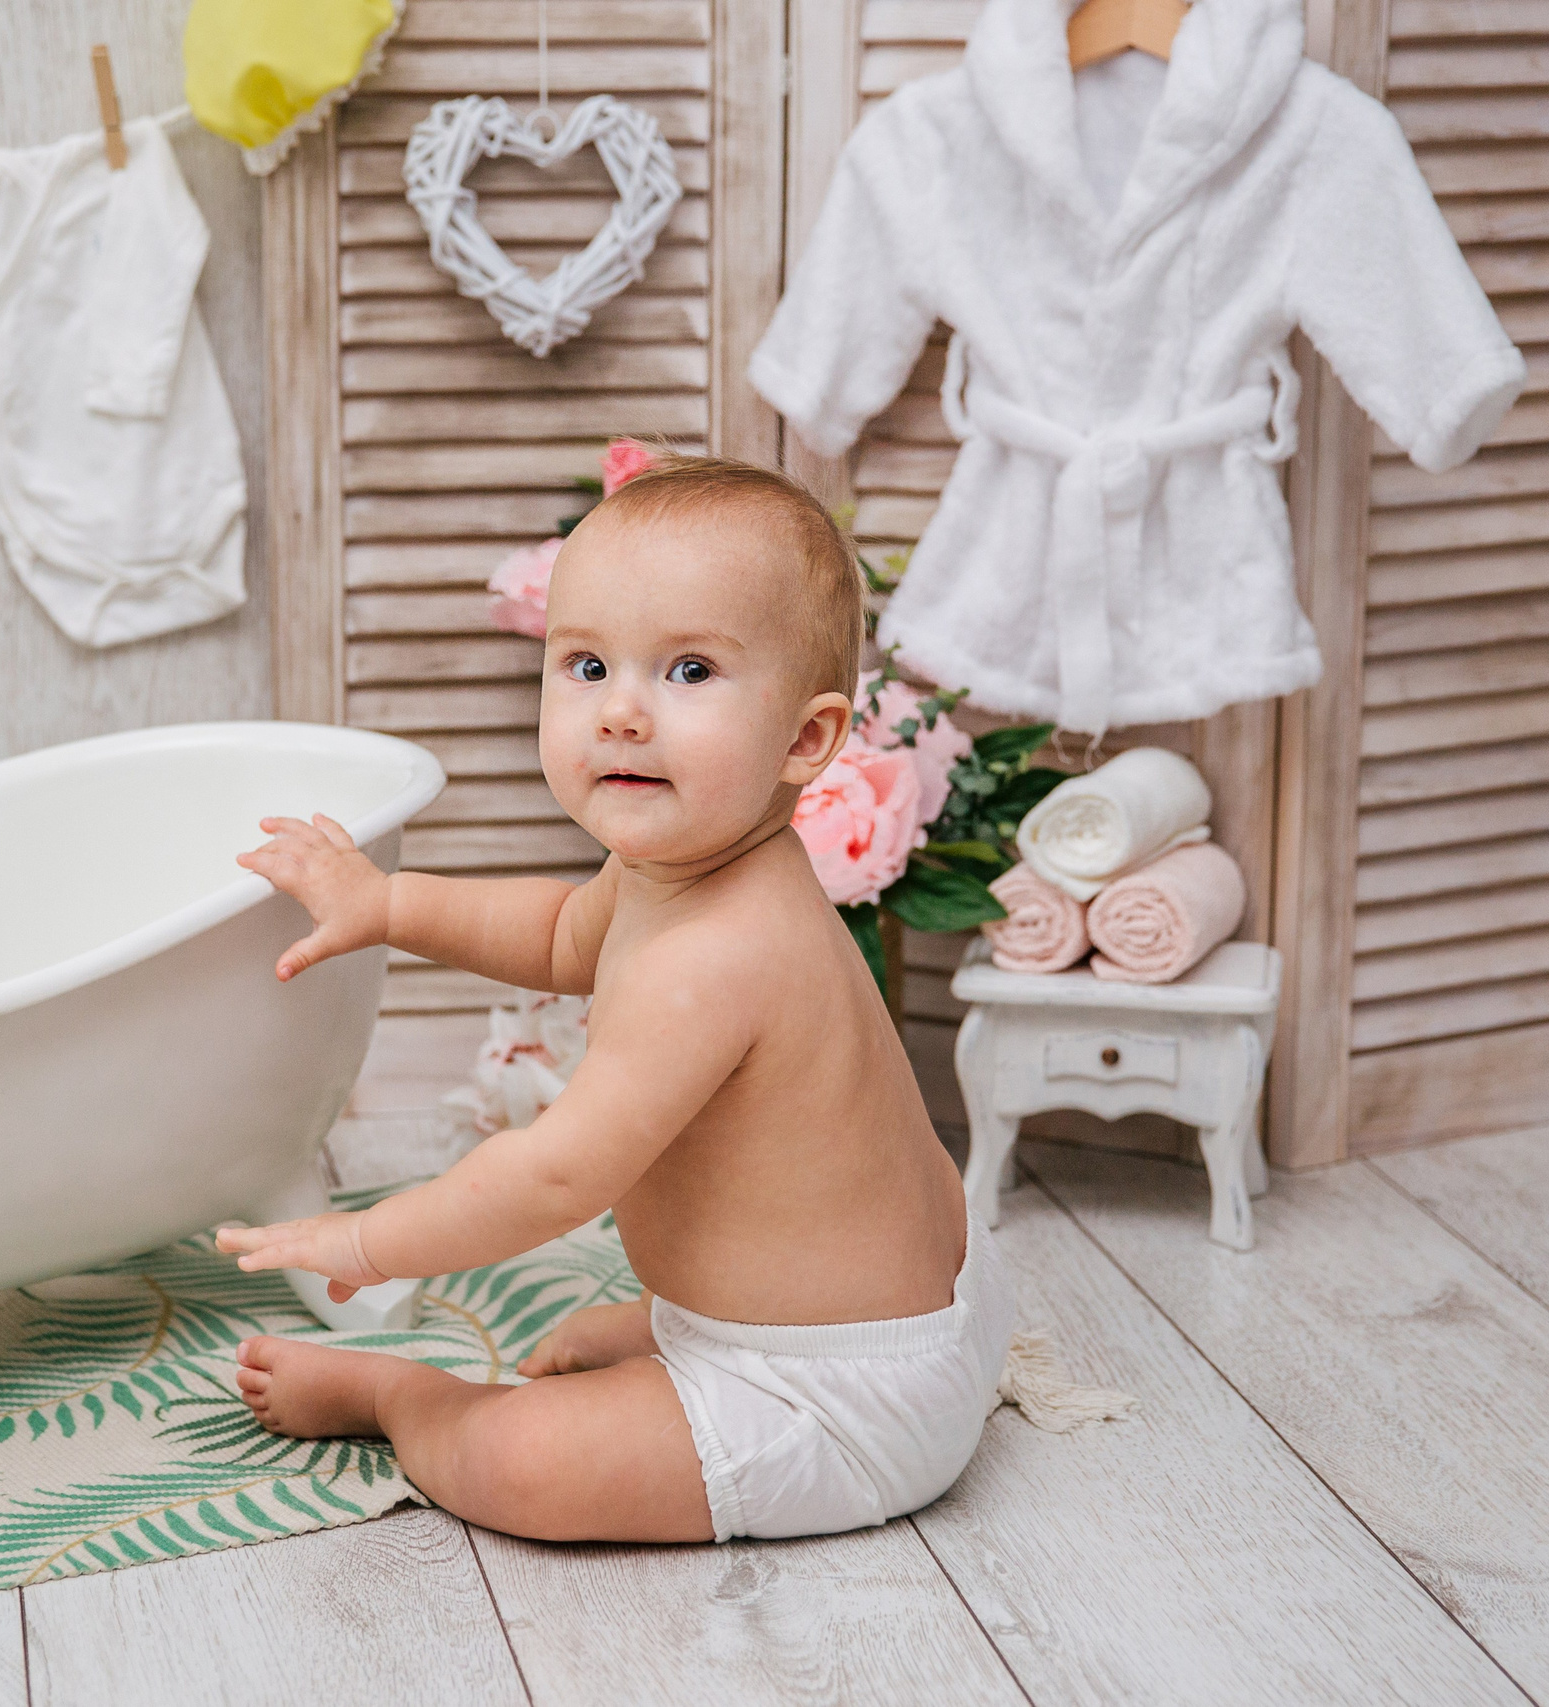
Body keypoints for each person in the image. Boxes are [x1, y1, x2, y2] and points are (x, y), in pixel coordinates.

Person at [219, 454, 1014, 1543]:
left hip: (838, 1391)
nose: (623, 712)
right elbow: (559, 933)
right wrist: (389, 902)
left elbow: (554, 1175)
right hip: (882, 1302)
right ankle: (688, 1326)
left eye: (689, 671)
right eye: (587, 665)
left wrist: (371, 1244)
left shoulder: (720, 953)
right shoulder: (689, 869)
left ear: (805, 739)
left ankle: (404, 1398)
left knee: (529, 1462)